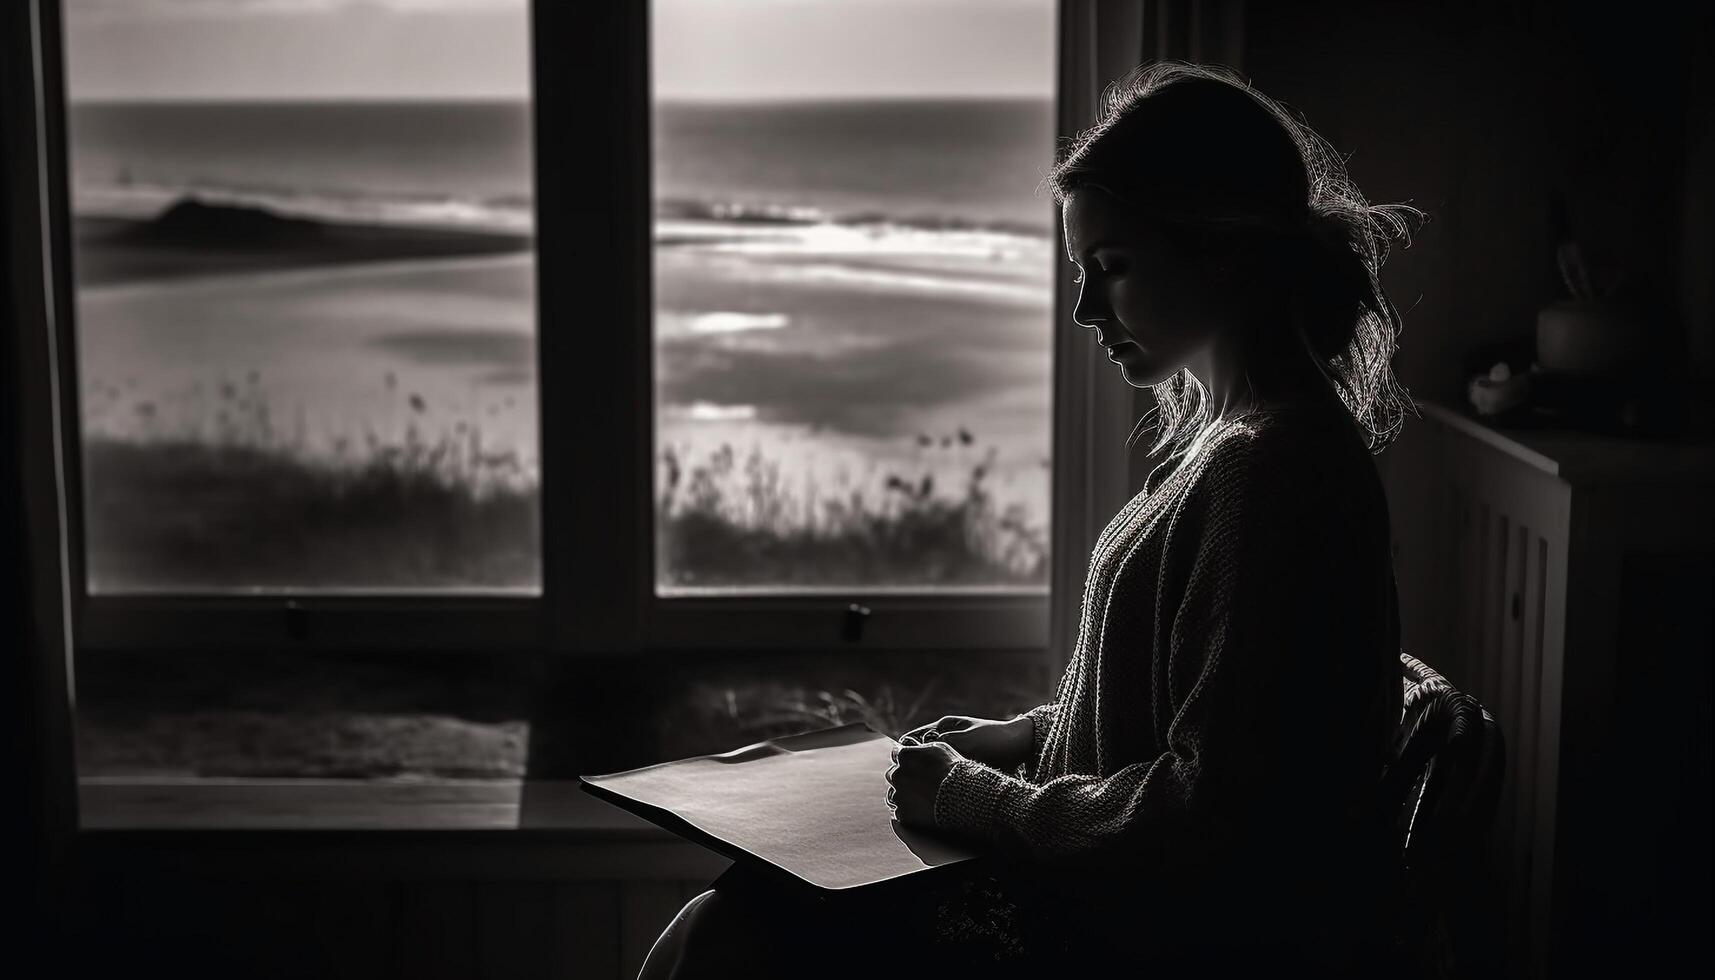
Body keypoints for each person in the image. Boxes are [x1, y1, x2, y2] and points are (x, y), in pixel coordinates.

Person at [638, 60, 1426, 980]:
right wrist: (1023, 735)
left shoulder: (1271, 470)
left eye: (1112, 267)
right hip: (1097, 905)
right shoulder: (1237, 446)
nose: (1087, 310)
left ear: (1220, 246)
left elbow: (1213, 811)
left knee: (724, 936)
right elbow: (1175, 713)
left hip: (1129, 942)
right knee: (726, 920)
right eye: (1080, 272)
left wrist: (976, 797)